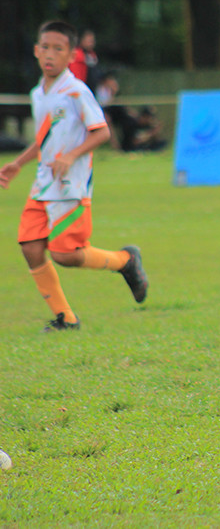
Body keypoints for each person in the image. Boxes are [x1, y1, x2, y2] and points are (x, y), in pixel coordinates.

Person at [0, 20, 147, 332]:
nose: (50, 54)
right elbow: (44, 138)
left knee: (66, 254)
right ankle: (66, 319)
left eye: (59, 48)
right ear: (36, 51)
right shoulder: (38, 93)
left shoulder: (76, 91)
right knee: (30, 246)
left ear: (71, 55)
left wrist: (70, 155)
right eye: (46, 47)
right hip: (43, 184)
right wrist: (19, 164)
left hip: (71, 186)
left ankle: (125, 261)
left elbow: (102, 132)